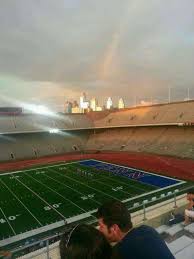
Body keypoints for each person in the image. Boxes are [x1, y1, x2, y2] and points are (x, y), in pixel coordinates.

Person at [96, 200, 175, 259]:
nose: (99, 230)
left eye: (101, 226)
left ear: (114, 228)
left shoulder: (120, 253)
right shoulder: (147, 229)